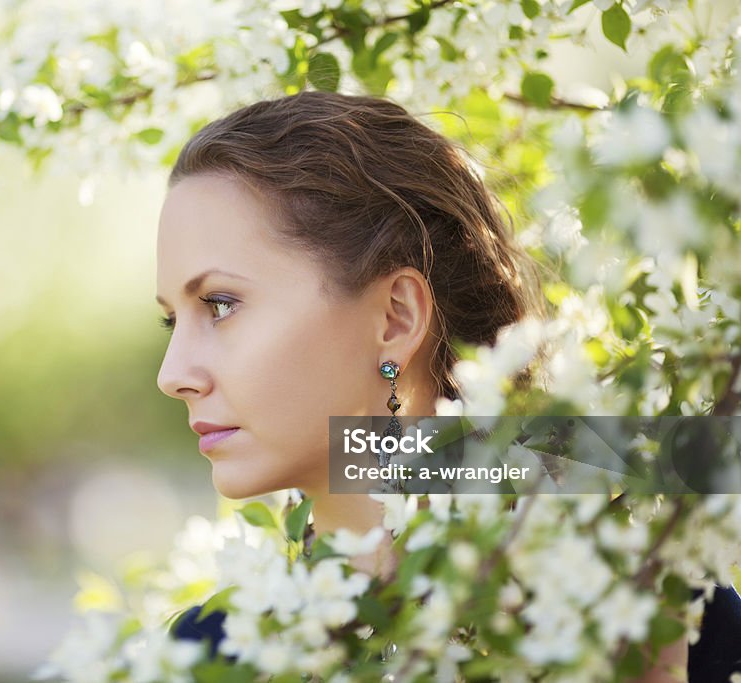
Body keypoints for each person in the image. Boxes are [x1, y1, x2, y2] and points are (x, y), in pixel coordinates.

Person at [153, 90, 741, 681]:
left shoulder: (656, 613)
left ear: (395, 319)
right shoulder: (205, 656)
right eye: (173, 321)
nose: (172, 375)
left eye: (220, 305)